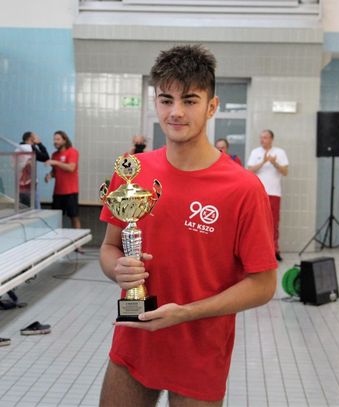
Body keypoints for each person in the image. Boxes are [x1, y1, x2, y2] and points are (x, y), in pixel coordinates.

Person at [98, 44, 277, 406]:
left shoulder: (243, 188)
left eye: (190, 100)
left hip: (200, 353)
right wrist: (118, 270)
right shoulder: (132, 172)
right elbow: (109, 247)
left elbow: (264, 285)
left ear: (212, 106)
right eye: (166, 100)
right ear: (156, 102)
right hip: (134, 342)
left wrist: (186, 313)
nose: (176, 112)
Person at [246, 129, 289, 261]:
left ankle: (274, 250)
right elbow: (249, 171)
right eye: (261, 137)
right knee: (257, 222)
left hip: (274, 193)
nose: (262, 140)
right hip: (258, 193)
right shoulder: (255, 152)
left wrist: (274, 163)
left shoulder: (279, 152)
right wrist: (263, 162)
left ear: (271, 139)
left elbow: (285, 172)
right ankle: (258, 251)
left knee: (273, 223)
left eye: (265, 137)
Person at [45, 130, 81, 230]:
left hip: (70, 192)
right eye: (54, 139)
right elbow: (55, 171)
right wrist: (50, 175)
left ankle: (78, 239)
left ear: (64, 140)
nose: (55, 142)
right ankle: (58, 237)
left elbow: (71, 168)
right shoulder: (54, 155)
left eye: (58, 139)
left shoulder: (72, 152)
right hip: (58, 192)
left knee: (74, 217)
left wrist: (56, 162)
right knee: (56, 218)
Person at [18, 131, 50, 208]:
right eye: (36, 137)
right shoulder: (30, 148)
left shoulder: (18, 149)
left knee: (24, 210)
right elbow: (45, 157)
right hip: (30, 186)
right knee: (36, 211)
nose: (37, 138)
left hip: (20, 186)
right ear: (31, 138)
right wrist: (39, 144)